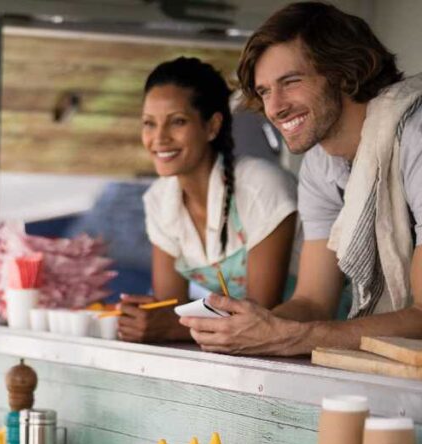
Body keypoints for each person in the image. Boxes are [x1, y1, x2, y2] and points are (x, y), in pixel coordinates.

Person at [179, 1, 422, 355]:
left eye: (290, 82)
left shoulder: (415, 134)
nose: (274, 107)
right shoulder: (321, 164)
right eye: (264, 92)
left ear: (343, 71)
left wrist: (287, 337)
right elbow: (312, 302)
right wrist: (249, 329)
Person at [119, 57, 298, 344]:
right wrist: (144, 318)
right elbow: (168, 307)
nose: (159, 138)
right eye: (149, 124)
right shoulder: (160, 200)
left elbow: (262, 316)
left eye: (177, 121)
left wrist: (173, 326)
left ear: (212, 126)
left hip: (314, 343)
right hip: (244, 350)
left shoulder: (261, 186)